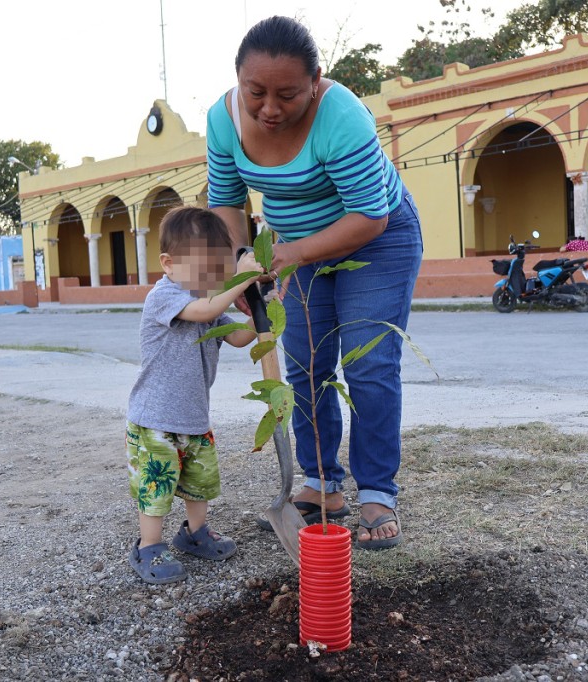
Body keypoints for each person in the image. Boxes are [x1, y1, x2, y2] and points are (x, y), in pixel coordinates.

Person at [206, 16, 423, 550]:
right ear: (239, 81)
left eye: (288, 94)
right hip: (293, 251)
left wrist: (290, 253)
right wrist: (242, 258)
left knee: (368, 363)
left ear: (316, 81)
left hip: (377, 239)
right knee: (304, 366)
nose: (270, 109)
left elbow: (369, 216)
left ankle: (376, 491)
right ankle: (320, 484)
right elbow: (226, 199)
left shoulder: (342, 115)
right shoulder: (223, 119)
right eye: (256, 92)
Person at [125, 206, 260, 584]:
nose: (211, 279)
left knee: (199, 482)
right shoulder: (165, 296)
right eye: (203, 271)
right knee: (157, 486)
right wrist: (242, 276)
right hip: (155, 420)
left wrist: (262, 317)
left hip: (194, 416)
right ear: (168, 264)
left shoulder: (207, 300)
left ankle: (194, 533)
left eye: (217, 271)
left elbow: (236, 337)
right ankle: (148, 545)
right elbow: (204, 311)